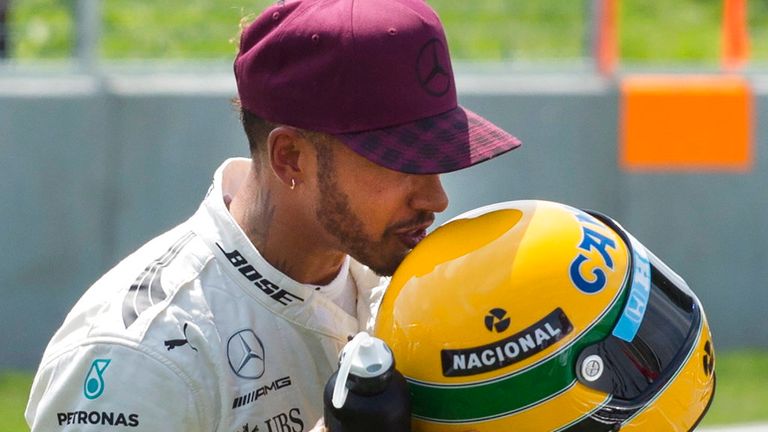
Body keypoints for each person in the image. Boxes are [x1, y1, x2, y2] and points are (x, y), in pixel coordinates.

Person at [25, 0, 521, 430]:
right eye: (398, 161)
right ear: (290, 158)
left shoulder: (420, 286)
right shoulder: (142, 353)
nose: (436, 200)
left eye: (435, 160)